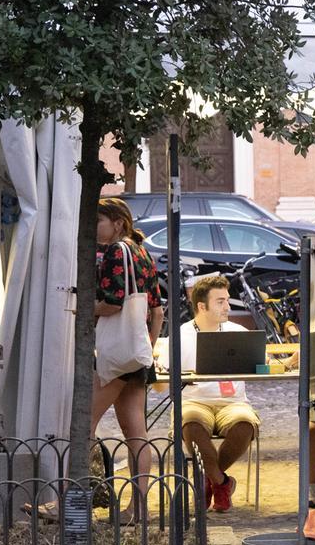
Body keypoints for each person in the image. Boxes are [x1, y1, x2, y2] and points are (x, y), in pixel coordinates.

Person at [92, 197, 164, 522]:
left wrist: (83, 309)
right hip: (136, 356)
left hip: (117, 357)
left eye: (99, 221)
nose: (94, 228)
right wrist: (145, 347)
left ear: (118, 223)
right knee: (136, 433)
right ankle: (138, 508)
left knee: (83, 425)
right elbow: (157, 311)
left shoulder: (115, 252)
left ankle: (68, 501)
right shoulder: (143, 253)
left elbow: (113, 303)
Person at [178, 275, 260, 513]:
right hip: (195, 400)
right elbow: (164, 378)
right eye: (220, 301)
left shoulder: (238, 332)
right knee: (191, 423)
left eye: (227, 300)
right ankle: (222, 482)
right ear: (201, 306)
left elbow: (259, 364)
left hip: (233, 402)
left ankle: (210, 479)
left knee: (245, 424)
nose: (227, 307)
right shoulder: (182, 334)